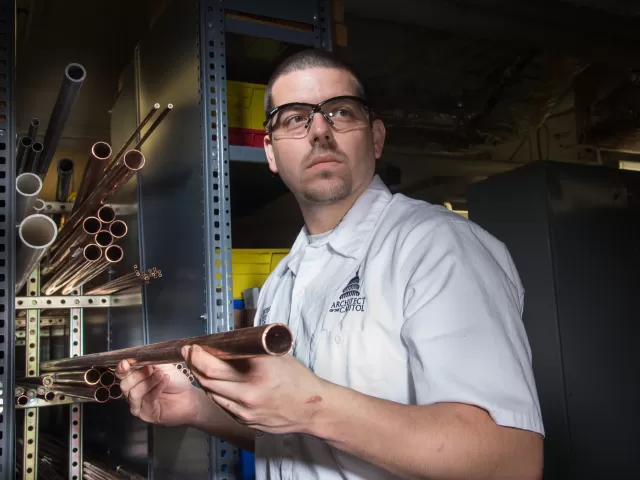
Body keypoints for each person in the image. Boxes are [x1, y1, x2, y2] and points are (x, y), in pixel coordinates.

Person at [116, 48, 545, 479]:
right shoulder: (282, 281)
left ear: (375, 138)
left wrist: (312, 407)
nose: (319, 131)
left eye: (340, 112)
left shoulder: (437, 247)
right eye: (294, 118)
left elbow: (511, 460)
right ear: (270, 152)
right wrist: (196, 408)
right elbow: (289, 441)